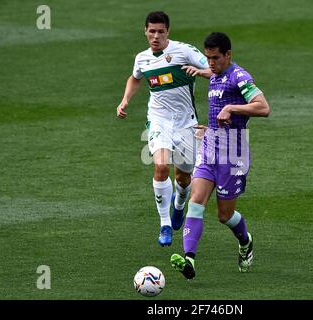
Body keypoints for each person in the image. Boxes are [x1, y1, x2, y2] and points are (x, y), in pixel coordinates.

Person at [170, 32, 270, 278]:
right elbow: (211, 74)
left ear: (228, 55)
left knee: (224, 215)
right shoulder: (215, 73)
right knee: (196, 200)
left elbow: (264, 107)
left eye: (215, 58)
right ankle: (189, 260)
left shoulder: (240, 77)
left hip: (234, 153)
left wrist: (230, 107)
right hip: (210, 147)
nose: (210, 63)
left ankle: (245, 241)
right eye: (207, 58)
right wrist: (197, 71)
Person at [116, 11, 211, 247]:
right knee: (160, 166)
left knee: (184, 176)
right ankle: (165, 224)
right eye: (151, 31)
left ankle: (179, 203)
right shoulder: (142, 58)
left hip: (186, 122)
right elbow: (135, 77)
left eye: (160, 31)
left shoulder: (184, 51)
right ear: (145, 31)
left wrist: (200, 72)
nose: (155, 36)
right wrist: (125, 100)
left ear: (168, 31)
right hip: (159, 119)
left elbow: (214, 69)